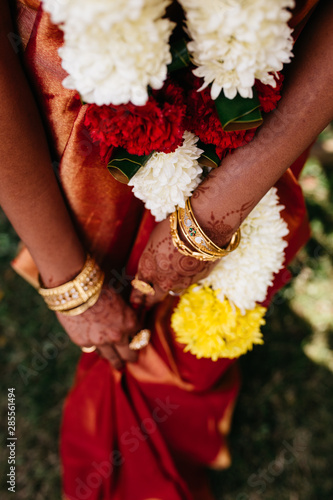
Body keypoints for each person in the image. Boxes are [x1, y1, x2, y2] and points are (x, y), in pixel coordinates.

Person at [0, 0, 332, 499]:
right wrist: (71, 281)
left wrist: (226, 203)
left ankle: (179, 409)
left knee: (218, 296)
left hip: (272, 83)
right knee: (115, 300)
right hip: (85, 113)